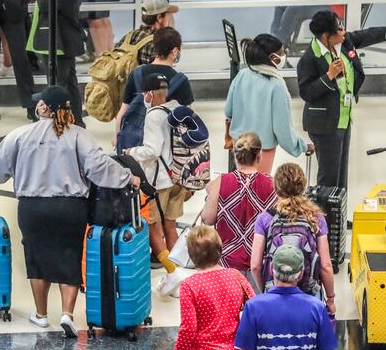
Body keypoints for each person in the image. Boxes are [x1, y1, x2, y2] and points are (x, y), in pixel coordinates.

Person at [0, 85, 139, 337]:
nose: (36, 105)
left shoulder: (21, 135)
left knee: (37, 258)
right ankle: (67, 314)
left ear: (46, 109)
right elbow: (99, 167)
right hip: (70, 208)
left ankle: (40, 315)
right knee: (69, 257)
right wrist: (128, 177)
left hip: (32, 208)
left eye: (40, 103)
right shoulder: (79, 136)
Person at [297, 11, 386, 190]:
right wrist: (329, 76)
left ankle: (339, 216)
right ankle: (325, 218)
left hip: (344, 119)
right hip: (325, 124)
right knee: (329, 178)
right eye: (339, 29)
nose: (344, 32)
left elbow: (369, 34)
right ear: (326, 36)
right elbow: (306, 92)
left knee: (341, 175)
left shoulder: (343, 43)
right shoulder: (310, 58)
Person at [163, 226, 255, 350]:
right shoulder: (236, 276)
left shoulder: (190, 285)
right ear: (220, 249)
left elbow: (188, 329)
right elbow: (254, 309)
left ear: (191, 255)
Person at [123, 73, 185, 292]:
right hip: (178, 177)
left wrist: (131, 152)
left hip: (159, 182)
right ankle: (177, 277)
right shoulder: (177, 107)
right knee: (171, 226)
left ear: (149, 94)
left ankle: (173, 274)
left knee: (153, 229)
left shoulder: (154, 116)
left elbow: (152, 150)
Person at [250, 163, 335, 311]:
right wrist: (331, 299)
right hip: (308, 294)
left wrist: (266, 289)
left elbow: (255, 266)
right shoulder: (316, 218)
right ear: (303, 187)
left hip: (274, 292)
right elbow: (326, 266)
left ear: (276, 187)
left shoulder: (265, 218)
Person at [224, 34, 312, 174]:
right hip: (262, 149)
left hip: (239, 145)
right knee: (258, 190)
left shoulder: (242, 75)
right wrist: (302, 147)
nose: (284, 56)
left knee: (239, 188)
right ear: (272, 58)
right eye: (281, 53)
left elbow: (228, 110)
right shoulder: (276, 86)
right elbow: (282, 130)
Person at [201, 134, 277, 273]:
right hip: (260, 262)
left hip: (226, 262)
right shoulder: (272, 185)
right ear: (259, 155)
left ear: (235, 156)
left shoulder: (221, 181)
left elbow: (208, 218)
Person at [115, 27, 193, 144]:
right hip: (163, 146)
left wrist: (118, 139)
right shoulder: (181, 81)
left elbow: (123, 112)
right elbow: (187, 120)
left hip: (134, 144)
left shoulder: (137, 73)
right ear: (175, 51)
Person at [32, 0, 86, 127]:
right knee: (70, 82)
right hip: (63, 37)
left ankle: (59, 126)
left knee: (57, 85)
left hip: (59, 38)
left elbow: (45, 4)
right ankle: (76, 123)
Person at [115, 0, 177, 66]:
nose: (170, 17)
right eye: (168, 15)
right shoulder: (159, 43)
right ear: (159, 18)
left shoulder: (131, 35)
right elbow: (166, 68)